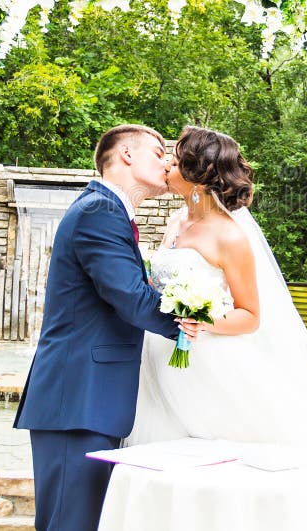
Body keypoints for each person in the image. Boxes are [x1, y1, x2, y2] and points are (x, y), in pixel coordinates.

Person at [127, 125, 307, 463]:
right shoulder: (176, 221)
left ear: (198, 178)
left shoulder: (229, 237)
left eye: (173, 164)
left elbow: (250, 315)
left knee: (212, 453)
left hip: (207, 362)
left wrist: (202, 319)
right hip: (159, 351)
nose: (165, 168)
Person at [14, 124, 199, 531]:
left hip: (90, 398)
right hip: (77, 398)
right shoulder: (99, 212)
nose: (167, 161)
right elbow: (131, 298)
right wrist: (188, 323)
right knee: (69, 521)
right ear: (127, 156)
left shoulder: (107, 210)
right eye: (157, 151)